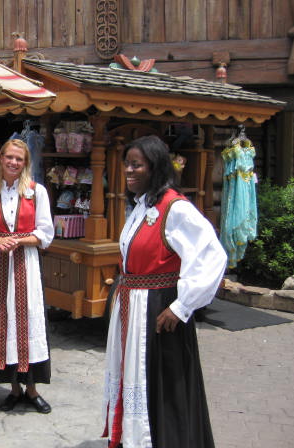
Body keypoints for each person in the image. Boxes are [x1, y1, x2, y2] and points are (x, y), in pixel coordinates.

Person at [102, 135, 227, 448]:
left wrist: (182, 306)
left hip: (158, 311)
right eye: (127, 164)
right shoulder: (143, 205)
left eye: (136, 165)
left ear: (155, 166)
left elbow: (212, 255)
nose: (128, 170)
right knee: (137, 379)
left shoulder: (175, 207)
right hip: (134, 307)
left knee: (162, 384)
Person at [0, 138, 54, 414]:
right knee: (4, 322)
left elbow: (46, 233)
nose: (13, 162)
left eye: (19, 159)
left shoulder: (36, 191)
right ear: (1, 159)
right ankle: (14, 389)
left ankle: (32, 390)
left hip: (26, 265)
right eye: (9, 157)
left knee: (26, 324)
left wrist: (19, 240)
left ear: (25, 163)